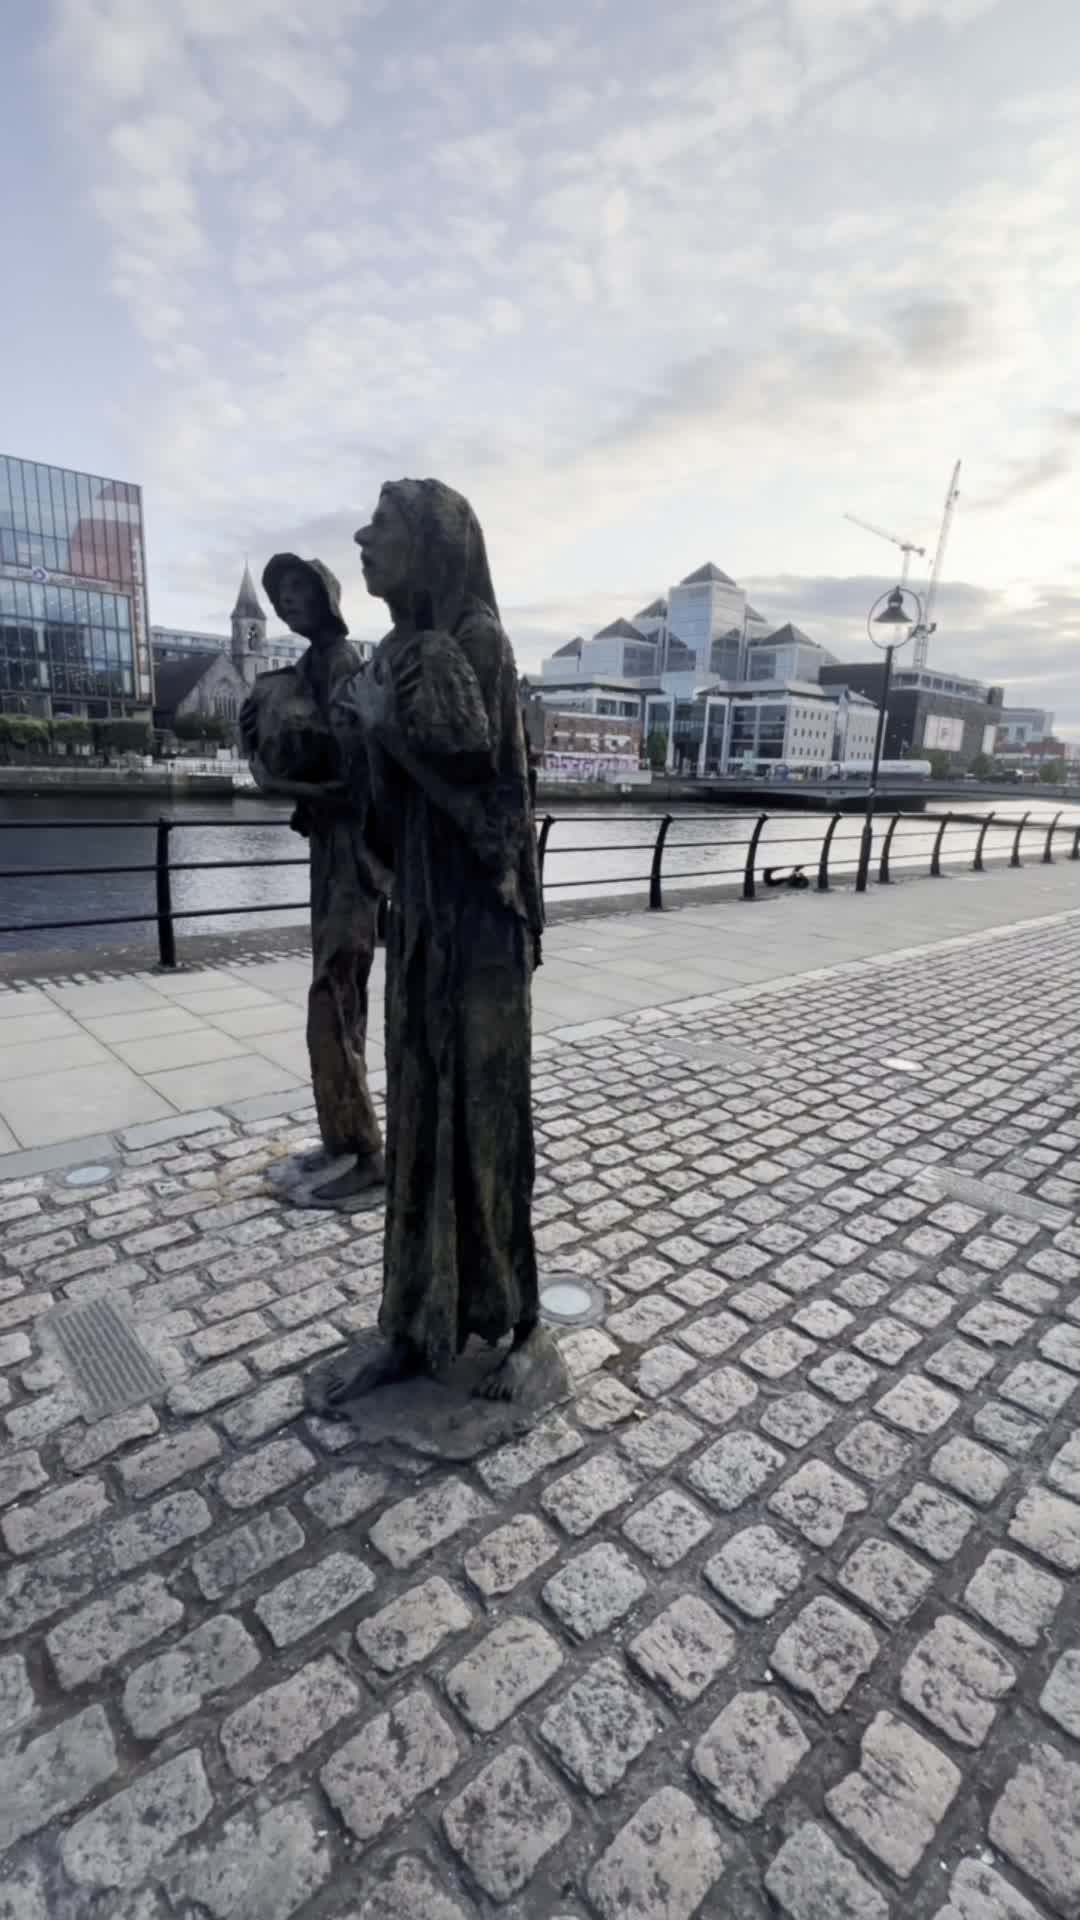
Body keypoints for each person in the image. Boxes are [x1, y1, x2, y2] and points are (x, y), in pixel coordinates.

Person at [304, 478, 544, 1408]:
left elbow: (492, 819)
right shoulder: (398, 651)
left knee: (485, 1126)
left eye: (385, 528)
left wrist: (388, 737)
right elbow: (387, 815)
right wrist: (353, 751)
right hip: (419, 928)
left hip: (481, 932)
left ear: (433, 547)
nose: (364, 540)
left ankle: (518, 1321)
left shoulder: (478, 644)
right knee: (416, 1127)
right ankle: (409, 1322)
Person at [239, 556, 385, 1210]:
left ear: (327, 597)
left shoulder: (342, 663)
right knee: (335, 992)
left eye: (300, 590)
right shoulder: (300, 670)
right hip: (329, 848)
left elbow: (359, 778)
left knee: (335, 993)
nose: (289, 602)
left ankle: (365, 1153)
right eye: (281, 594)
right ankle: (342, 1140)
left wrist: (280, 785)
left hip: (353, 854)